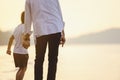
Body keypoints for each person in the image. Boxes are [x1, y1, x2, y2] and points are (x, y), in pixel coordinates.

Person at [24, 0, 66, 80]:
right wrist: (62, 31)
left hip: (41, 30)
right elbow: (59, 13)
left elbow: (28, 18)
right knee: (53, 59)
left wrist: (26, 35)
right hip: (55, 28)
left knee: (39, 59)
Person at [6, 11, 31, 80]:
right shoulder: (25, 27)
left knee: (20, 69)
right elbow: (24, 39)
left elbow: (11, 38)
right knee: (23, 69)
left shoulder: (17, 27)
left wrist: (8, 49)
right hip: (22, 52)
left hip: (16, 52)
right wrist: (27, 43)